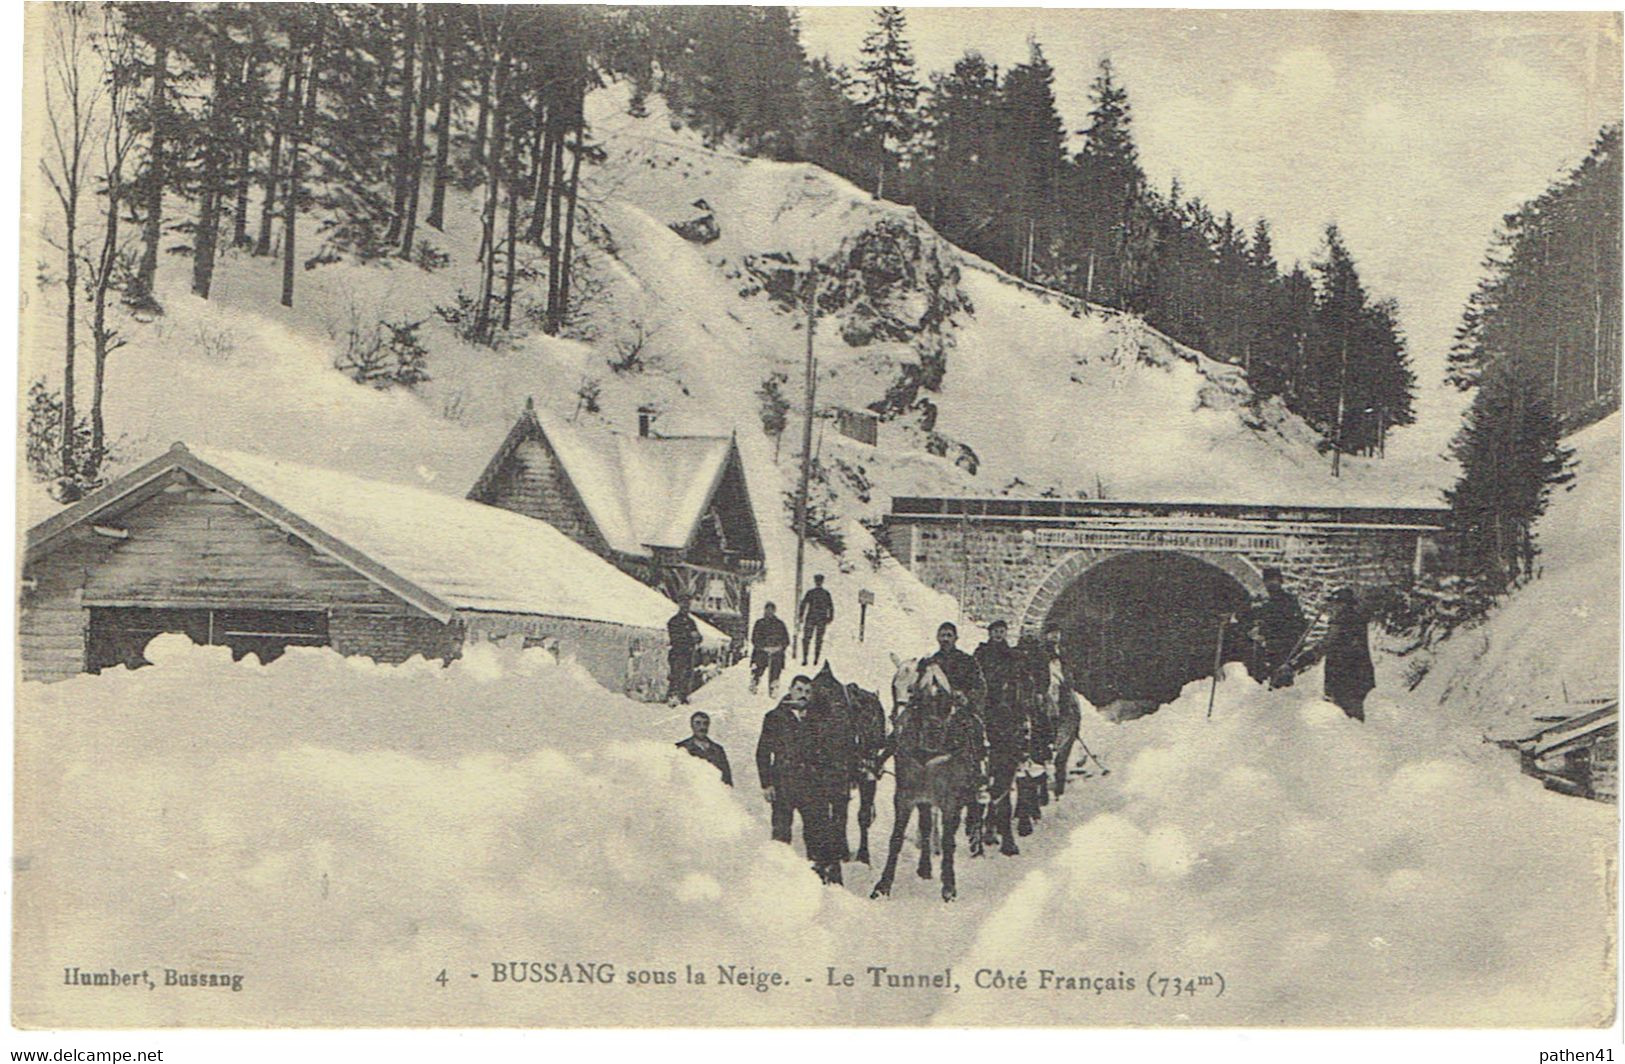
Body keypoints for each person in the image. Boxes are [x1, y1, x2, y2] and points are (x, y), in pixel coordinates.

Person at [755, 676, 837, 879]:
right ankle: (778, 877)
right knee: (781, 831)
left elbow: (828, 753)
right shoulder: (774, 717)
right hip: (784, 783)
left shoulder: (819, 719)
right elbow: (763, 752)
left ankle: (817, 876)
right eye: (799, 690)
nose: (803, 695)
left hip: (812, 784)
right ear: (790, 690)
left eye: (808, 692)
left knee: (817, 831)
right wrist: (766, 784)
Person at [973, 620, 1026, 856]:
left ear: (1006, 634)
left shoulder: (1013, 656)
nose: (998, 635)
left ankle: (1027, 753)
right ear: (990, 633)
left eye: (1002, 632)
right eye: (995, 631)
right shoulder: (981, 654)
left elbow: (1020, 683)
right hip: (984, 709)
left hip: (1005, 714)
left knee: (1005, 772)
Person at [1233, 567, 1308, 686]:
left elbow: (1298, 624)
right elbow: (1243, 618)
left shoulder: (1288, 600)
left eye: (1274, 580)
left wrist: (1294, 642)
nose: (1271, 584)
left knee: (1281, 679)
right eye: (1268, 581)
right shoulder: (1258, 601)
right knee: (1258, 678)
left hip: (1282, 646)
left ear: (1280, 582)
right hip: (1260, 648)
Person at [1320, 587, 1375, 721]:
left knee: (1347, 725)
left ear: (1343, 604)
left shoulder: (1342, 621)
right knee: (1356, 723)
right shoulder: (1357, 619)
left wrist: (1295, 664)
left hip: (1344, 680)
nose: (1333, 607)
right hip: (1359, 679)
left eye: (1335, 604)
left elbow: (1324, 646)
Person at [675, 711, 732, 785]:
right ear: (691, 725)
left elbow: (727, 778)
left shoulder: (718, 749)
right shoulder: (681, 747)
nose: (702, 727)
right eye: (698, 723)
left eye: (705, 723)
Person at [749, 602, 790, 696]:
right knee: (758, 665)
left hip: (776, 652)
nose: (769, 612)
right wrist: (763, 648)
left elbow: (786, 640)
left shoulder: (780, 624)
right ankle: (754, 683)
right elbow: (754, 639)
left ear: (774, 611)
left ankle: (774, 686)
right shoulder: (759, 623)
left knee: (776, 667)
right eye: (767, 610)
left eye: (771, 610)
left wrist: (778, 648)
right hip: (762, 651)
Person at [666, 599, 702, 705]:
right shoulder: (674, 621)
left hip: (688, 652)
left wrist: (697, 637)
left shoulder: (691, 622)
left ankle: (683, 696)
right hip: (677, 652)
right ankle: (673, 696)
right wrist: (689, 637)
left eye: (687, 606)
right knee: (677, 674)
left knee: (687, 674)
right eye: (684, 606)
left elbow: (698, 636)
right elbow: (675, 637)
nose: (686, 608)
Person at [799, 574, 834, 666]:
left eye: (819, 581)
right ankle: (806, 658)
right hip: (815, 618)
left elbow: (830, 607)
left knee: (816, 639)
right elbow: (803, 604)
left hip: (818, 618)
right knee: (808, 639)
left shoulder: (820, 593)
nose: (818, 583)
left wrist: (830, 617)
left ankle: (815, 659)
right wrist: (801, 615)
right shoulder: (817, 593)